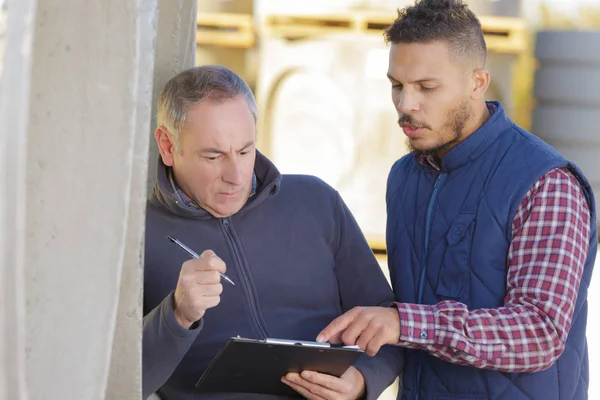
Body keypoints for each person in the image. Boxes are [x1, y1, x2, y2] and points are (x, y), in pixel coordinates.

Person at [316, 1, 597, 399]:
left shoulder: (546, 183)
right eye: (397, 85)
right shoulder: (405, 176)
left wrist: (406, 324)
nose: (405, 104)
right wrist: (361, 377)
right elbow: (400, 317)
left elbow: (540, 332)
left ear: (477, 82)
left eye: (427, 87)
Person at [142, 65, 402, 400]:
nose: (235, 175)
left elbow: (388, 322)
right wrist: (178, 314)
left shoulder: (316, 202)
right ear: (167, 145)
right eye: (213, 155)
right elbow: (118, 381)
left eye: (245, 150)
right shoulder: (137, 238)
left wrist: (362, 382)